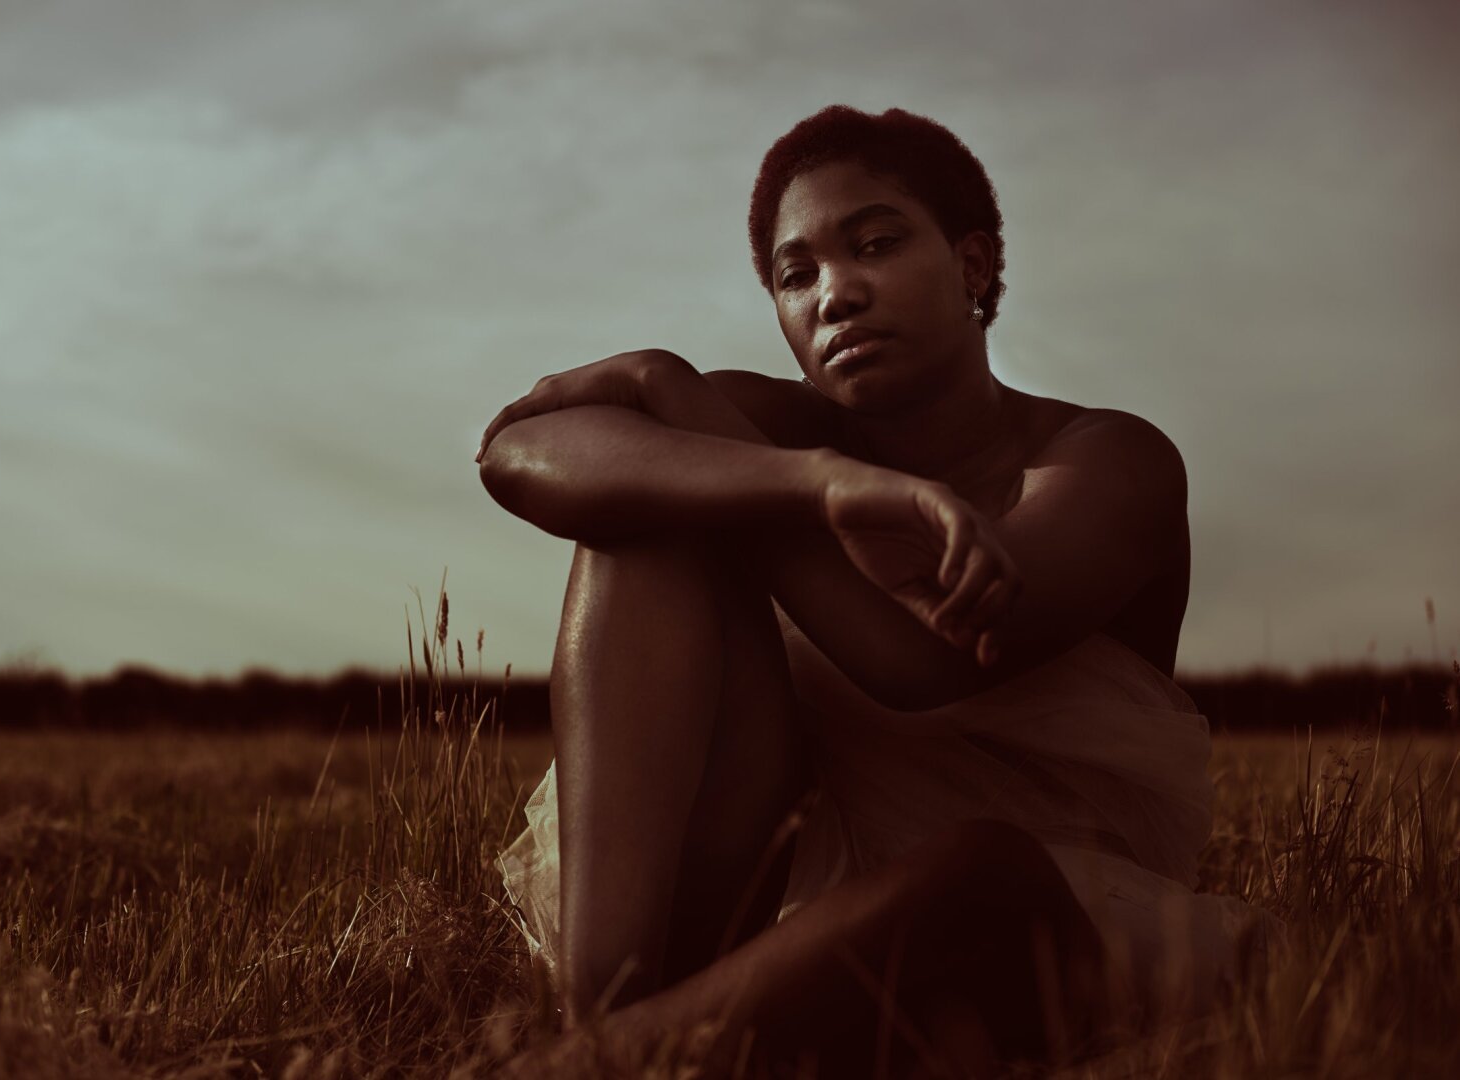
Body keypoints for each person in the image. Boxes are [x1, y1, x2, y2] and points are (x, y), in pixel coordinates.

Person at [476, 105, 1278, 1077]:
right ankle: (604, 1020)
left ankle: (611, 1058)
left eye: (875, 244)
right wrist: (805, 474)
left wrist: (683, 409)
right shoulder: (776, 427)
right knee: (648, 516)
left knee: (979, 877)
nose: (835, 293)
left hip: (1029, 903)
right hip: (770, 883)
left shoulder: (1105, 461)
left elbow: (924, 658)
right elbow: (517, 453)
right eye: (794, 273)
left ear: (973, 266)